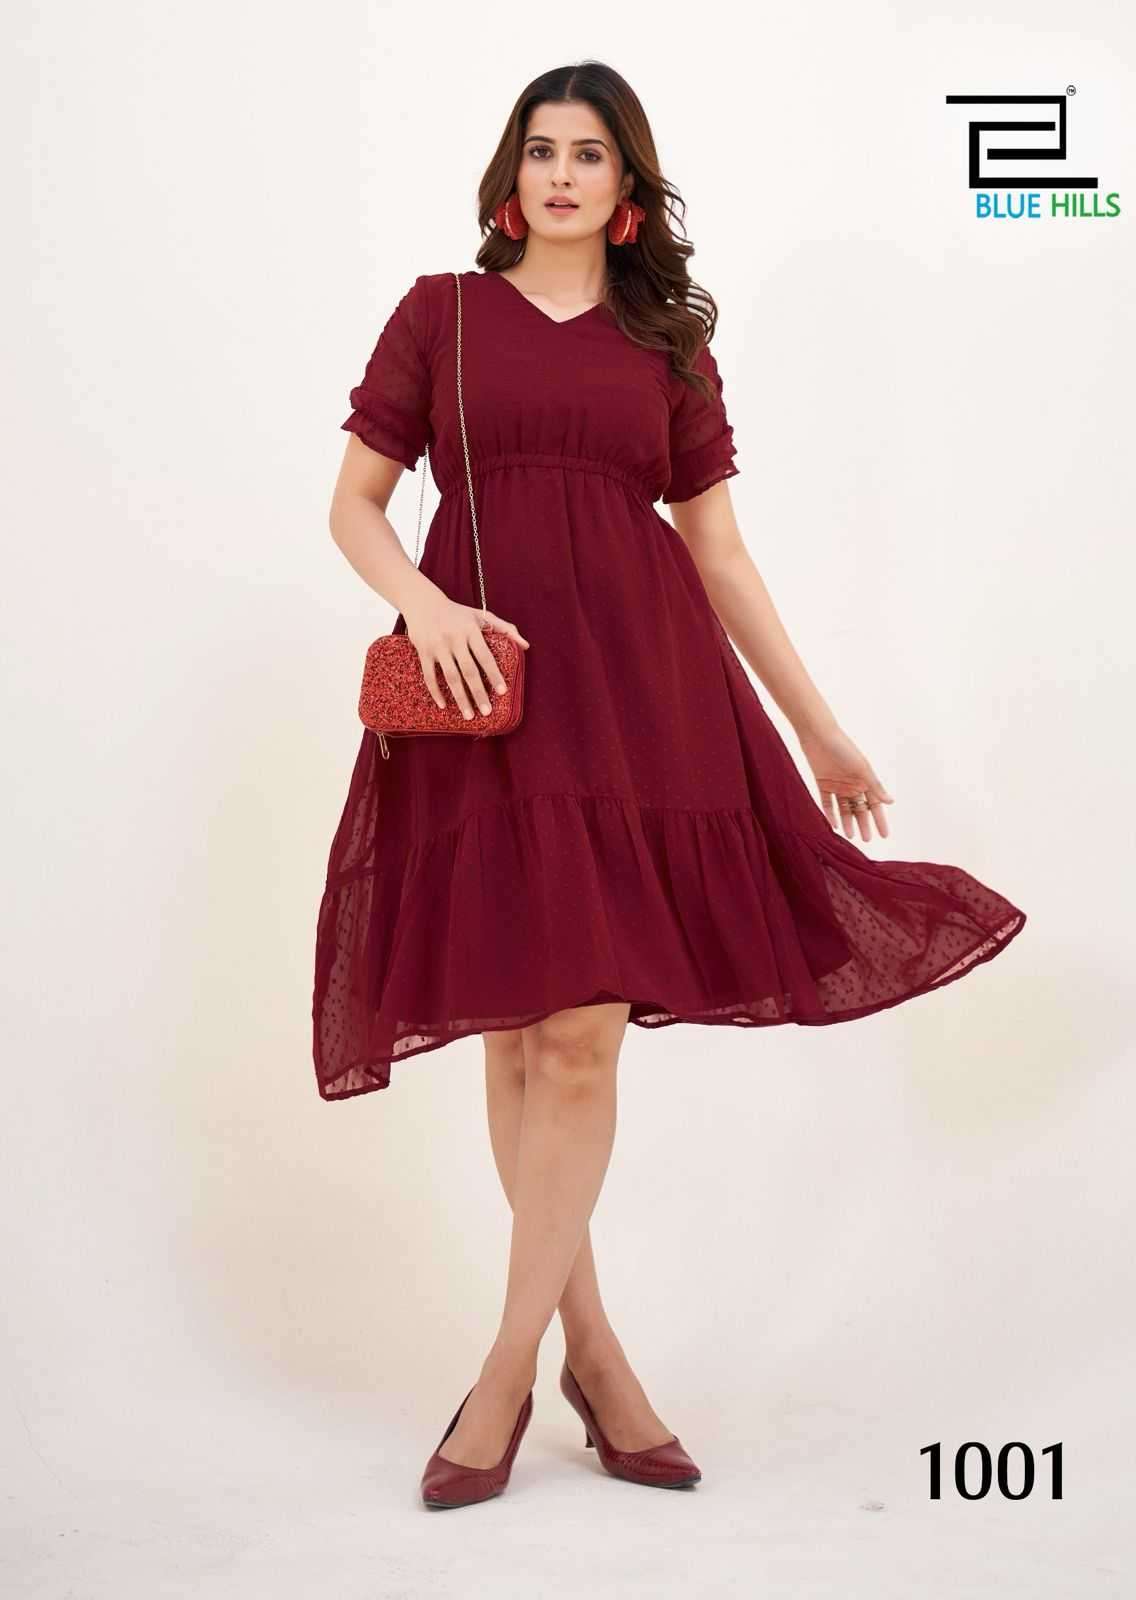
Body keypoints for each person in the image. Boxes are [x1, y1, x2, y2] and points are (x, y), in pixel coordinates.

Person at [313, 61, 1027, 1508]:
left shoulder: (669, 346)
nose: (561, 175)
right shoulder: (441, 316)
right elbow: (355, 505)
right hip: (486, 695)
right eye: (540, 150)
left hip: (639, 699)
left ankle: (504, 1377)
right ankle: (596, 1358)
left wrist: (820, 728)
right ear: (509, 177)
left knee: (579, 1036)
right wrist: (425, 610)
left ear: (627, 188)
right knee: (520, 1036)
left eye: (589, 154)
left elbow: (719, 551)